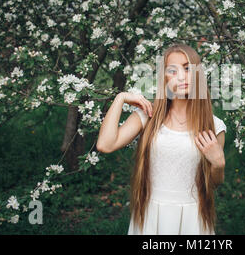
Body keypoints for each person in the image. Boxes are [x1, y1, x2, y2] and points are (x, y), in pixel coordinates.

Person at [96, 43, 227, 235]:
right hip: (151, 215)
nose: (181, 77)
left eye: (187, 68)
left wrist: (218, 164)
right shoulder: (148, 116)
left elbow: (213, 184)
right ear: (164, 78)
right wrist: (121, 98)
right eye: (172, 71)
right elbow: (105, 144)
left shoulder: (214, 126)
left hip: (192, 218)